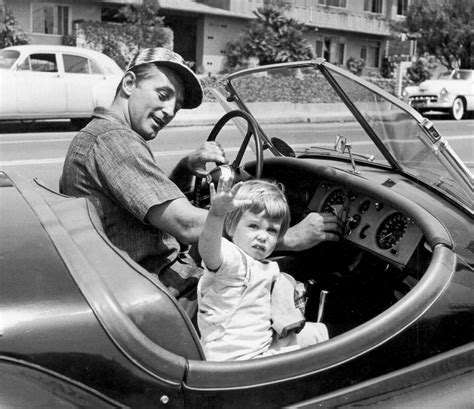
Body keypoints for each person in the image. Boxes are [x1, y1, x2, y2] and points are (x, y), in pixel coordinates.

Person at [60, 47, 343, 317]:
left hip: (136, 277)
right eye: (163, 94)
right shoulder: (113, 140)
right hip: (163, 290)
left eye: (177, 105)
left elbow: (145, 207)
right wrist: (287, 237)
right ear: (130, 84)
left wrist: (185, 168)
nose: (169, 110)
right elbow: (185, 225)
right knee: (284, 276)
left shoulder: (103, 135)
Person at [198, 177, 329, 361]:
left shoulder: (262, 264)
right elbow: (208, 249)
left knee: (318, 333)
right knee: (324, 347)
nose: (262, 236)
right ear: (231, 226)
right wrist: (216, 215)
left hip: (260, 346)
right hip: (236, 361)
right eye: (254, 226)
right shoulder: (233, 259)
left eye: (272, 230)